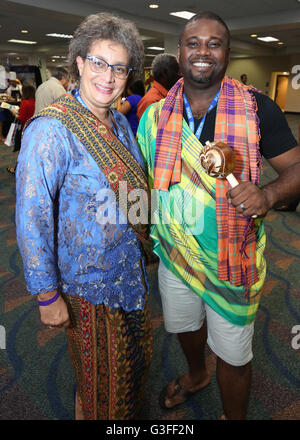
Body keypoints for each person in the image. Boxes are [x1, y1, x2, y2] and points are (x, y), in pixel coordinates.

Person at [137, 11, 300, 420]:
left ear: (227, 53)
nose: (203, 52)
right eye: (194, 43)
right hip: (175, 253)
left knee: (233, 352)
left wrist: (269, 194)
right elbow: (142, 180)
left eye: (214, 44)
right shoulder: (155, 114)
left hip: (232, 257)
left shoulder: (257, 107)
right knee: (185, 328)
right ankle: (196, 375)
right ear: (179, 52)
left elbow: (297, 168)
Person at [16, 12, 153, 420]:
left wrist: (149, 238)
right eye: (98, 63)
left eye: (119, 67)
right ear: (78, 62)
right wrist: (46, 294)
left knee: (127, 375)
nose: (107, 77)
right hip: (87, 288)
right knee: (103, 389)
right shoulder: (51, 130)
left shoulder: (119, 123)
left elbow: (132, 190)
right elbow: (31, 214)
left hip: (131, 276)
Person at [137, 53, 180, 120]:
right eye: (177, 72)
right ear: (164, 74)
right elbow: (149, 129)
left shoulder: (170, 96)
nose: (180, 77)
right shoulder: (151, 101)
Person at [7, 84, 35, 174]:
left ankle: (17, 169)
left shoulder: (25, 103)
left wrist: (13, 113)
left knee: (22, 150)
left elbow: (21, 118)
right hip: (34, 128)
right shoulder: (36, 101)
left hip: (25, 129)